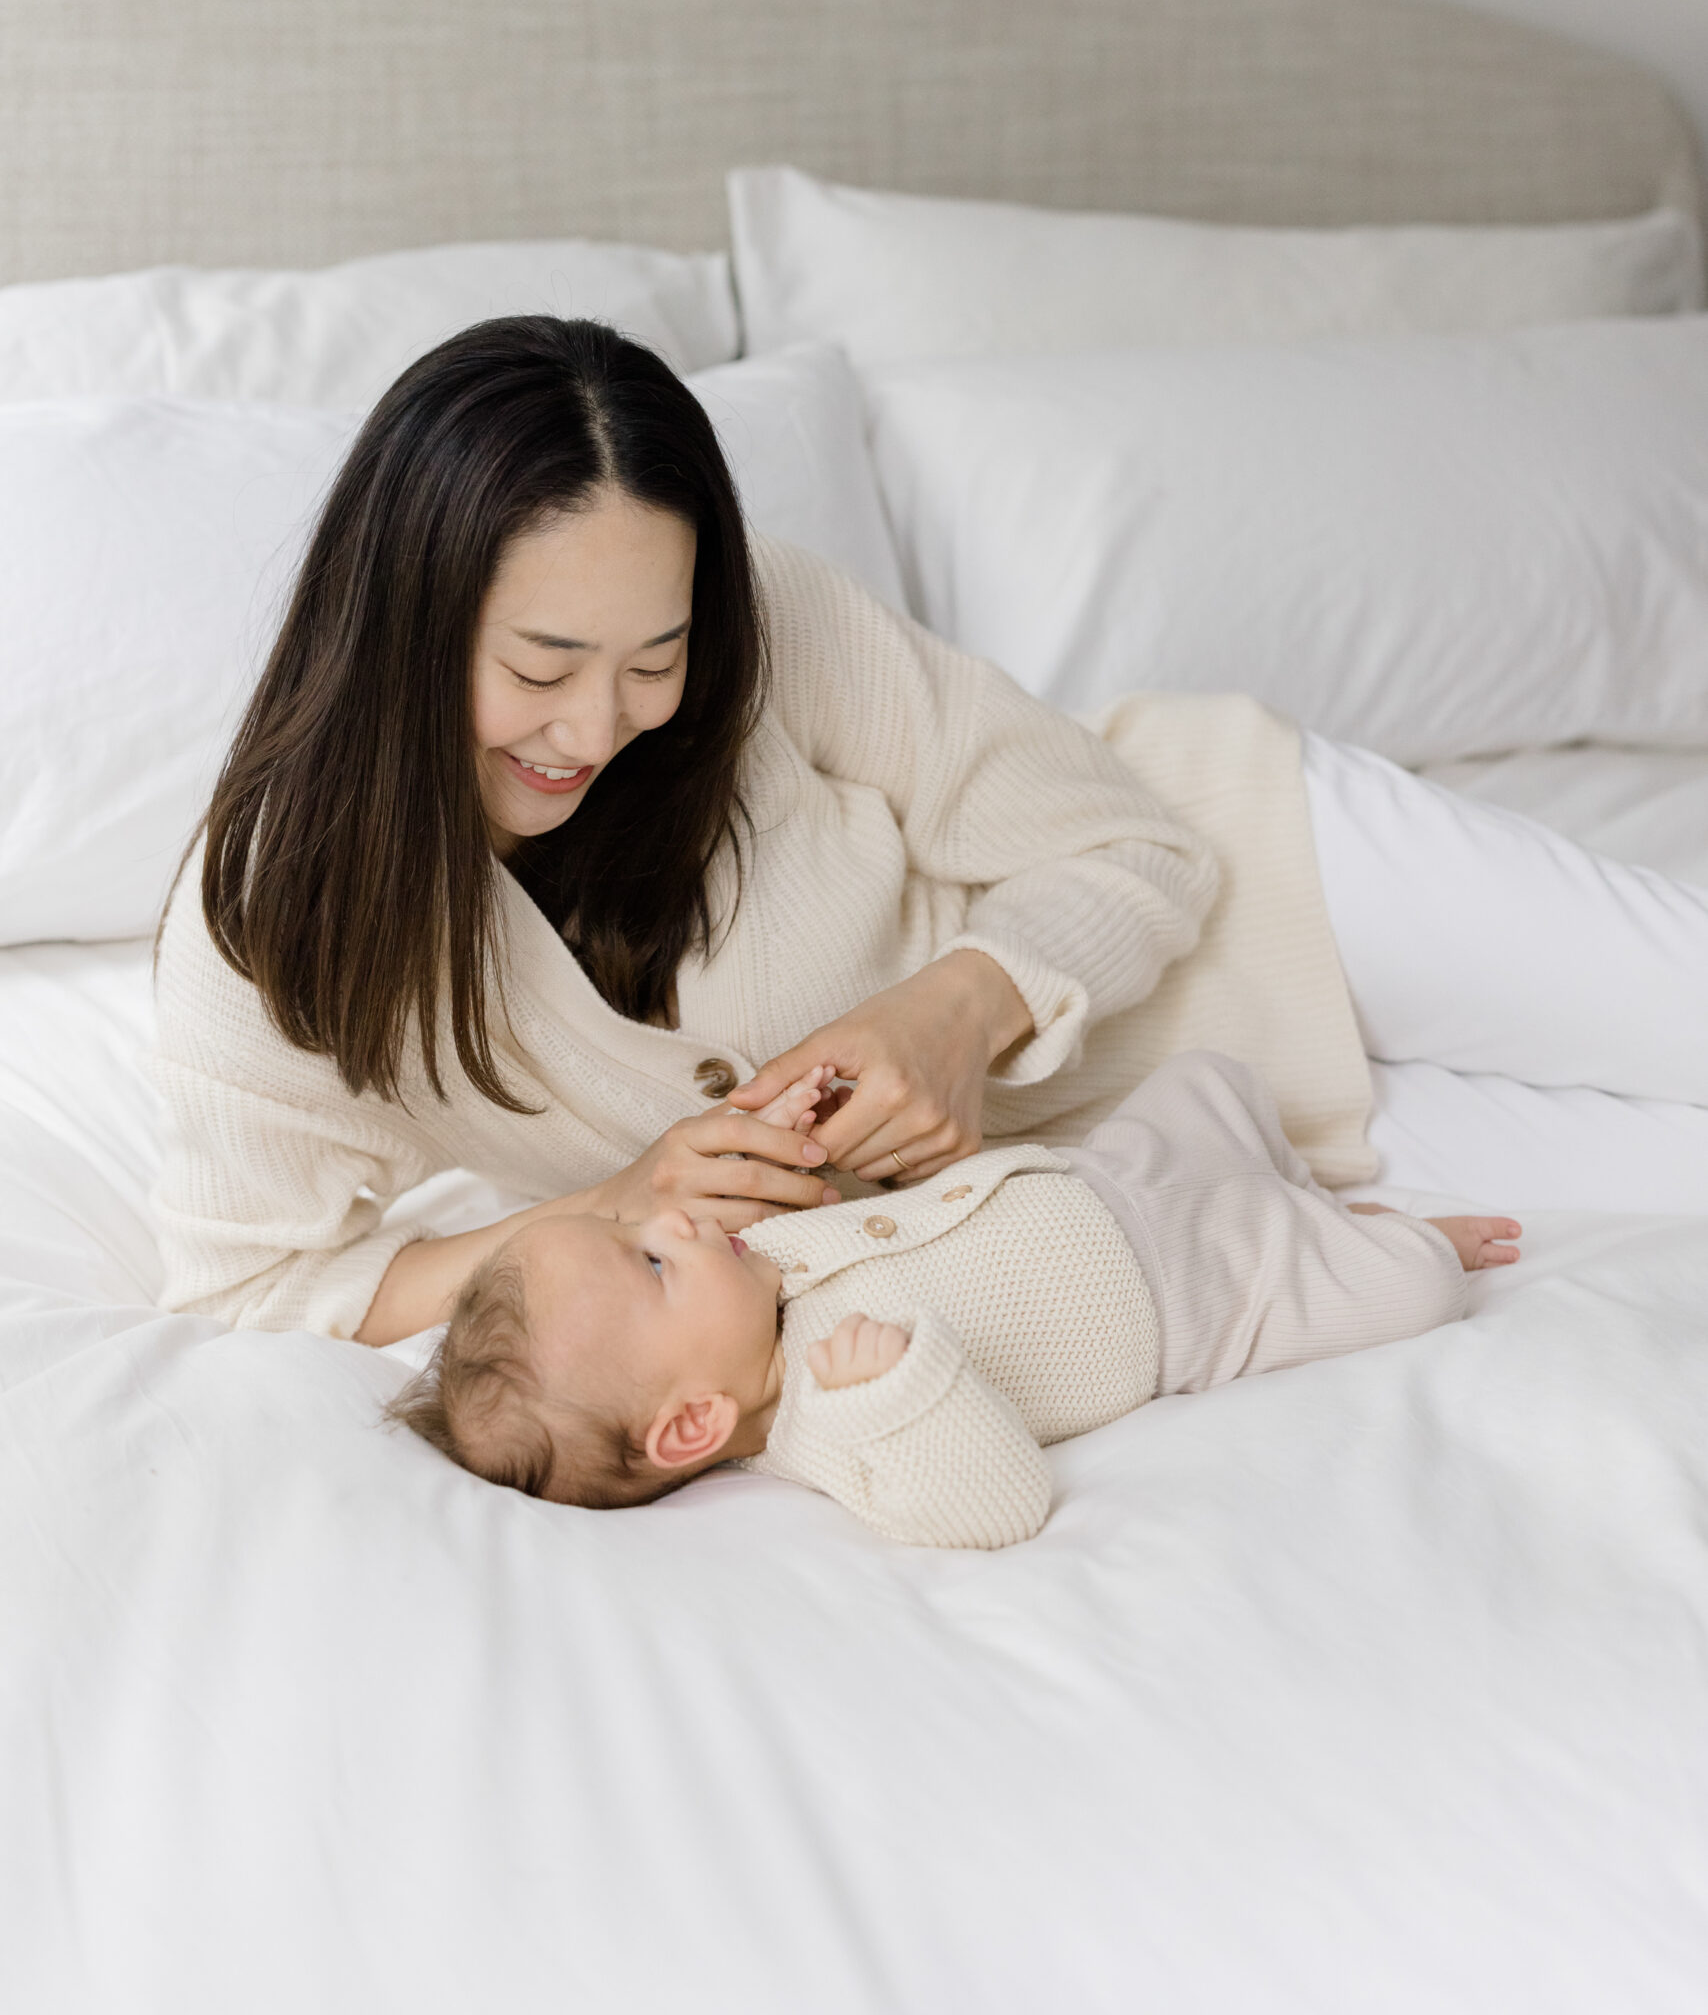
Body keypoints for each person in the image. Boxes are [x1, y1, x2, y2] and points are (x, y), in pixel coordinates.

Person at [151, 316, 1707, 1348]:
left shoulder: (785, 634)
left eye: (657, 658)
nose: (598, 727)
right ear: (404, 619)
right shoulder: (271, 927)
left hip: (1288, 890)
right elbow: (258, 1289)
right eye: (542, 667)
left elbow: (1141, 849)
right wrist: (615, 1205)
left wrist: (950, 1012)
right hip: (1208, 1177)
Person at [385, 1049, 1522, 1548]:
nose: (670, 1220)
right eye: (650, 1266)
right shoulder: (832, 1414)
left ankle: (1298, 1193)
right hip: (1188, 1297)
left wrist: (794, 1142)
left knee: (1213, 1078)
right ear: (693, 1423)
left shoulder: (753, 1280)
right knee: (1411, 1288)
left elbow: (859, 1209)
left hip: (1098, 1176)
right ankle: (1361, 1235)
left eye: (633, 1228)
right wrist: (900, 1391)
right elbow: (992, 1502)